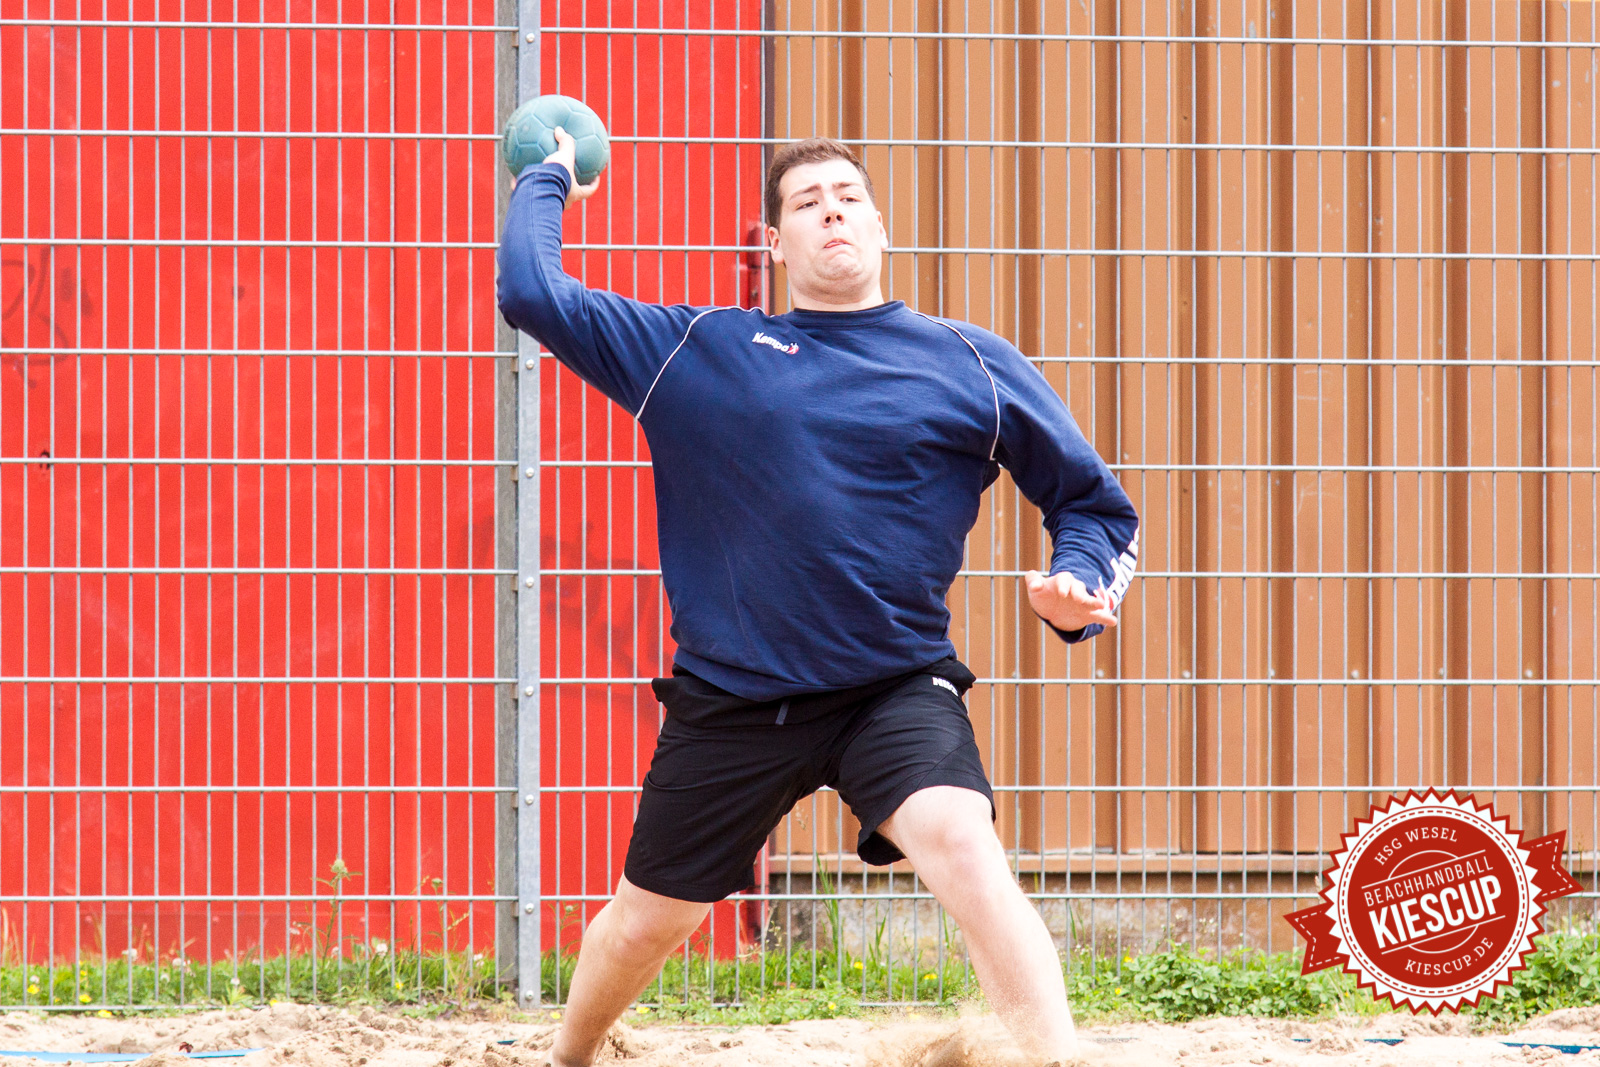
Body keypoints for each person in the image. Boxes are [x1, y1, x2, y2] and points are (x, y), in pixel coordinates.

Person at [497, 129, 1139, 1067]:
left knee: (960, 839)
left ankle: (1054, 1056)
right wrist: (550, 176)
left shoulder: (969, 362)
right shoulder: (696, 350)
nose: (832, 208)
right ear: (774, 244)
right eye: (807, 202)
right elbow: (531, 292)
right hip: (733, 698)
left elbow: (1092, 502)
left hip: (892, 685)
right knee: (646, 921)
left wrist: (1078, 583)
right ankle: (571, 1054)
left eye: (847, 195)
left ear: (878, 223)